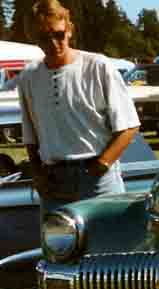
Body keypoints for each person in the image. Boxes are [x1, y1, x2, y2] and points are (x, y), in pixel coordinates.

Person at [18, 0, 140, 217]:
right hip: (53, 184)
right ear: (33, 39)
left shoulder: (98, 66)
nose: (53, 43)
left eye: (58, 34)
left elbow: (129, 125)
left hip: (99, 182)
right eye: (43, 38)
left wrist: (101, 165)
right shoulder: (28, 77)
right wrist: (38, 176)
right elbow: (31, 136)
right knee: (61, 250)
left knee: (111, 249)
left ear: (70, 29)